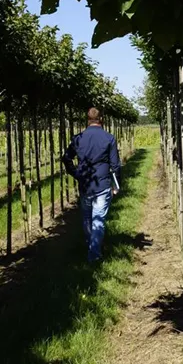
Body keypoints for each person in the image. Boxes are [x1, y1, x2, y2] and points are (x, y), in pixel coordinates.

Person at [63, 107, 121, 263]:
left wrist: (76, 174)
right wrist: (116, 185)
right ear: (101, 119)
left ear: (87, 120)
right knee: (98, 219)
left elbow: (66, 158)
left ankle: (92, 247)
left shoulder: (78, 138)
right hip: (102, 184)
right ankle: (94, 255)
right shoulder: (109, 138)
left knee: (87, 218)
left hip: (85, 184)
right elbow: (115, 165)